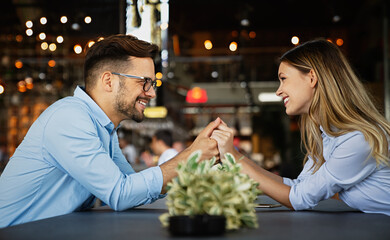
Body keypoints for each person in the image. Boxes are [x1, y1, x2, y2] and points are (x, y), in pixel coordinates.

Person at [0, 34, 221, 228]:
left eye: (153, 84)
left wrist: (191, 162)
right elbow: (120, 194)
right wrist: (191, 156)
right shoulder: (69, 117)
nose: (151, 93)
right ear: (109, 81)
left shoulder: (104, 128)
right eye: (145, 82)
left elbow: (131, 189)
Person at [211, 39, 390, 216]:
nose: (278, 91)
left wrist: (233, 158)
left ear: (312, 78)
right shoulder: (328, 135)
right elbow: (298, 187)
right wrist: (235, 158)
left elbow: (299, 198)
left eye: (283, 79)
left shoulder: (358, 139)